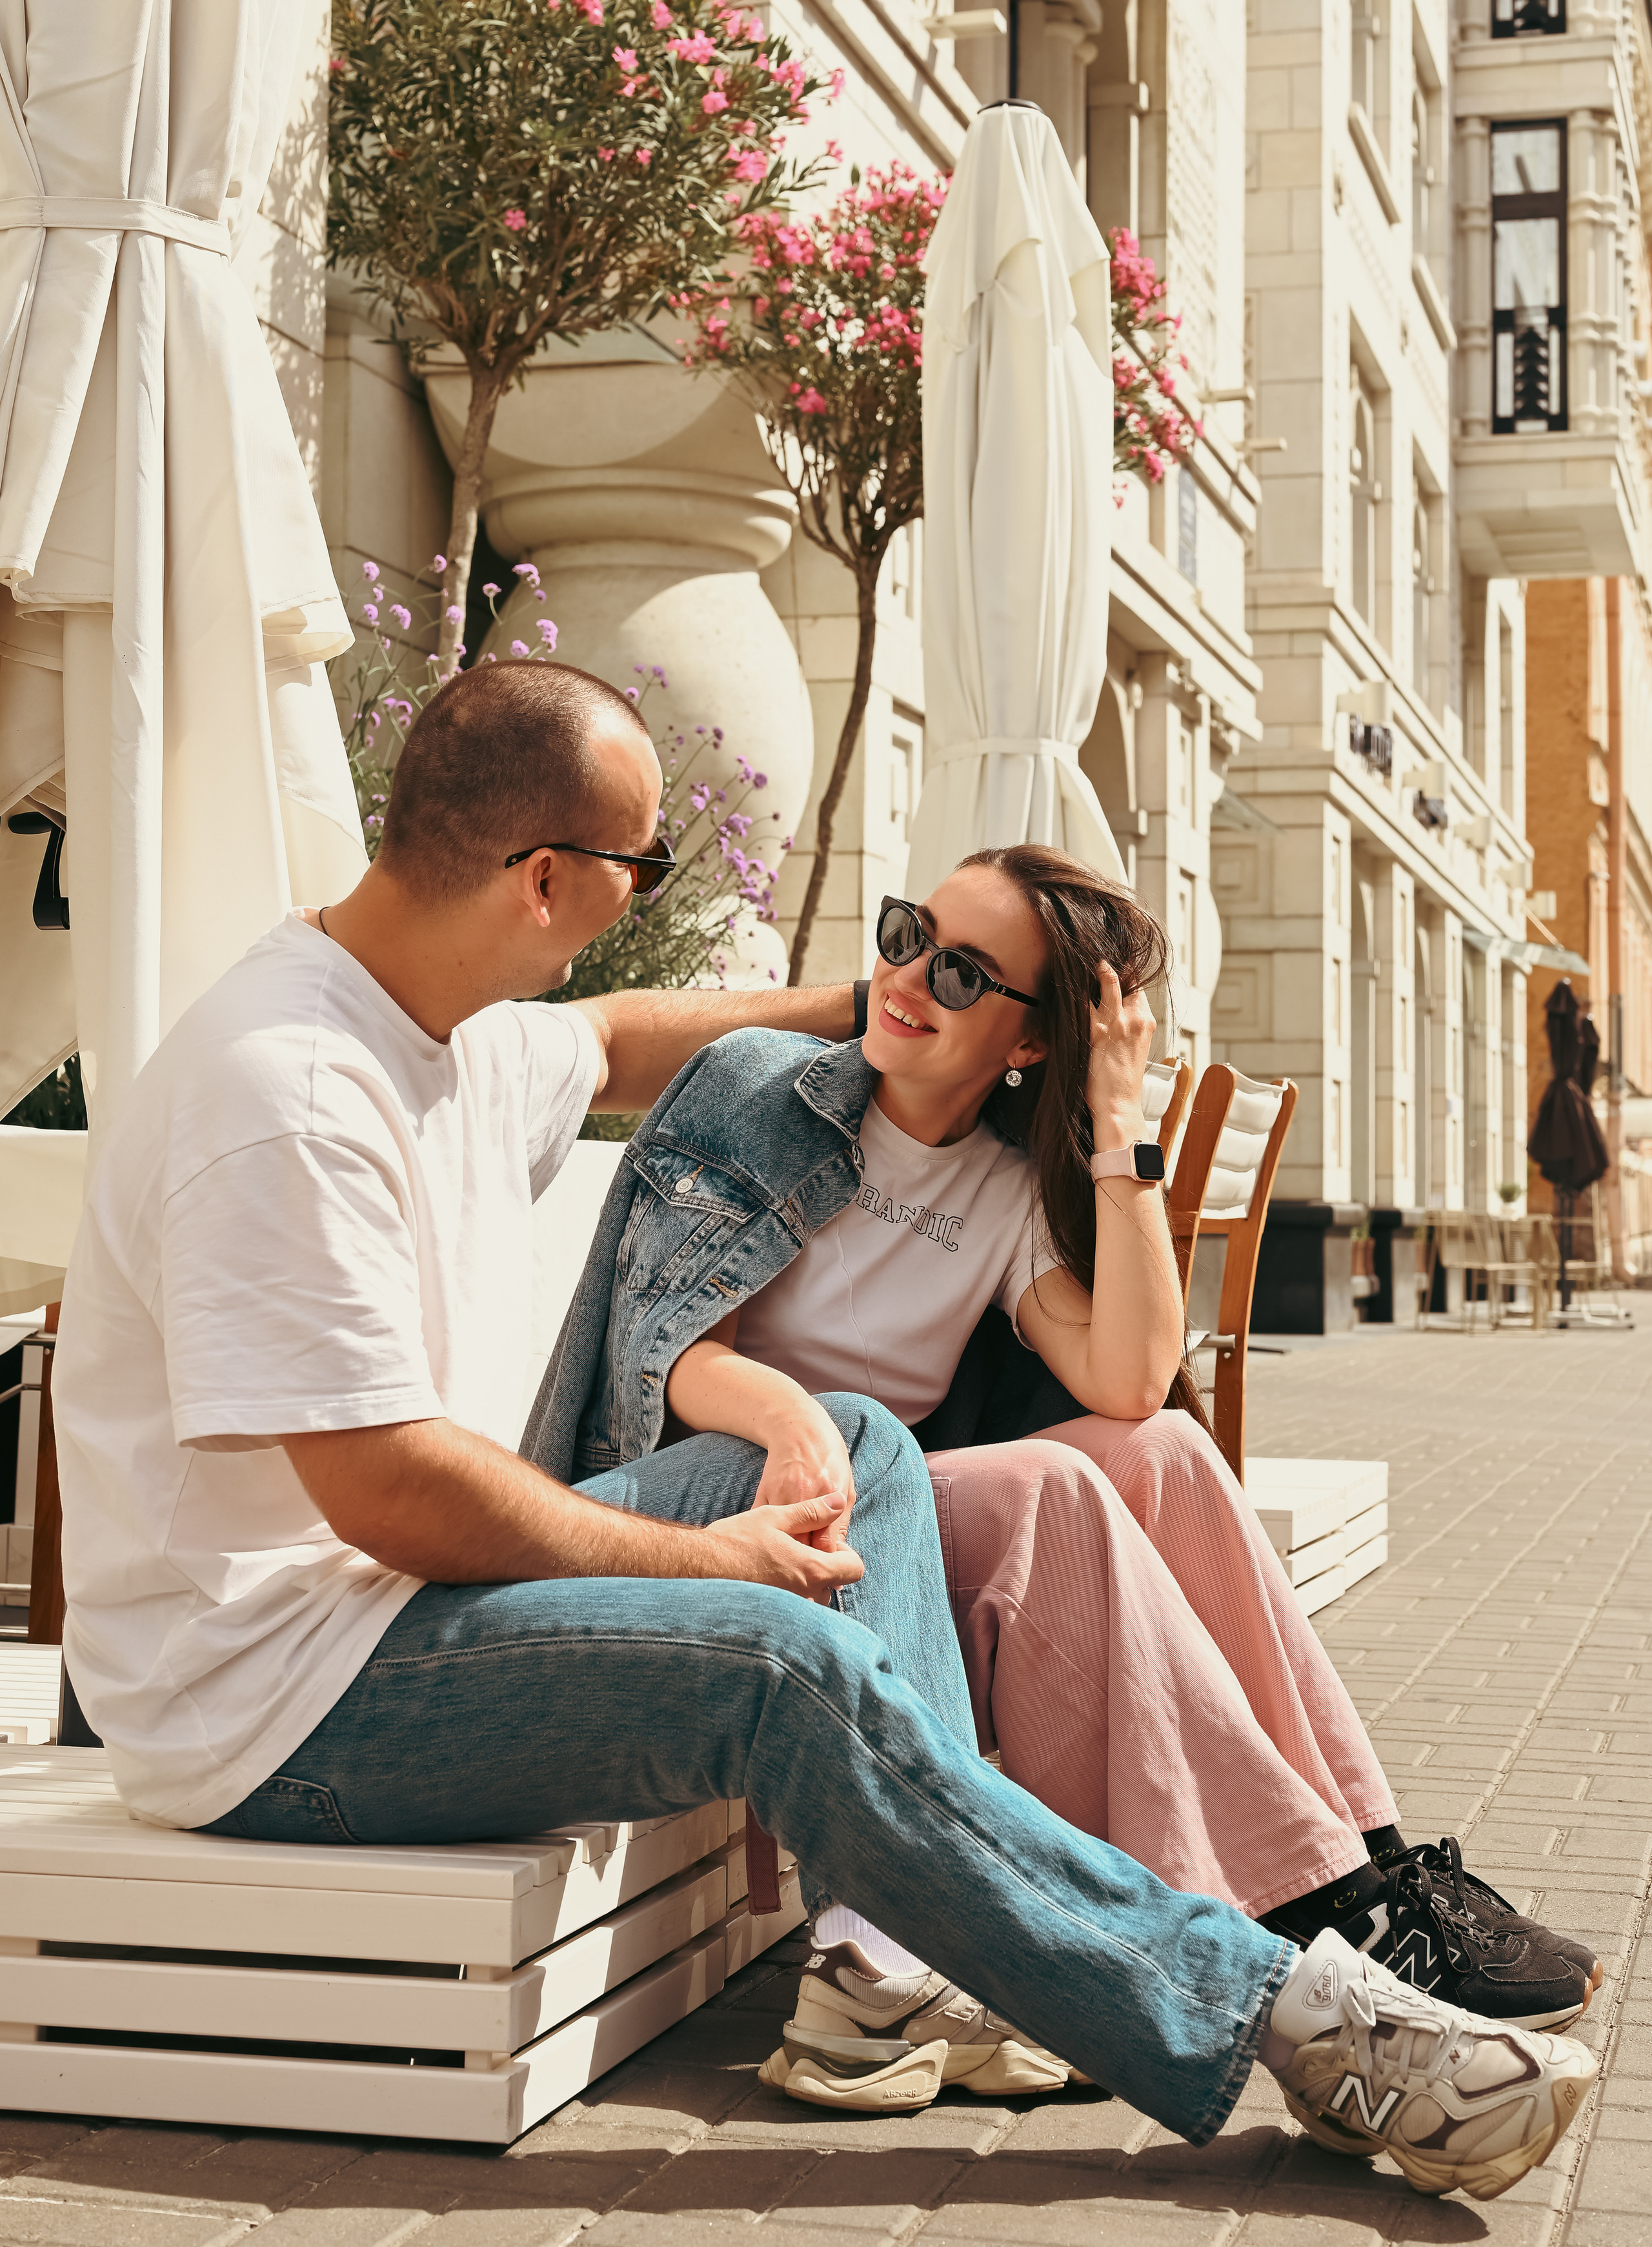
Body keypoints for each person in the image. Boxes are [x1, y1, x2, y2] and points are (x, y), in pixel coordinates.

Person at [52, 663, 1596, 2207]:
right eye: (642, 866)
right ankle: (1302, 2021)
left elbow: (622, 1034)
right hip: (275, 1707)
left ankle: (893, 1961)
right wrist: (693, 1555)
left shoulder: (450, 1034)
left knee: (848, 1437)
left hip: (386, 1617)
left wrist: (874, 1007)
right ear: (545, 879)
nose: (649, 895)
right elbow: (388, 1493)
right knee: (776, 1664)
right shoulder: (287, 1093)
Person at [525, 843, 1600, 2119]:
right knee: (1054, 1493)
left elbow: (1131, 1378)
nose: (911, 976)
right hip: (716, 1508)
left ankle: (1360, 1867)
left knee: (1159, 1453)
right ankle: (1293, 1912)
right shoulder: (753, 1088)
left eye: (964, 972)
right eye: (908, 933)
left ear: (1030, 1043)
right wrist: (792, 1418)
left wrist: (1118, 1130)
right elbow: (659, 1356)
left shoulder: (996, 1187)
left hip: (885, 1529)